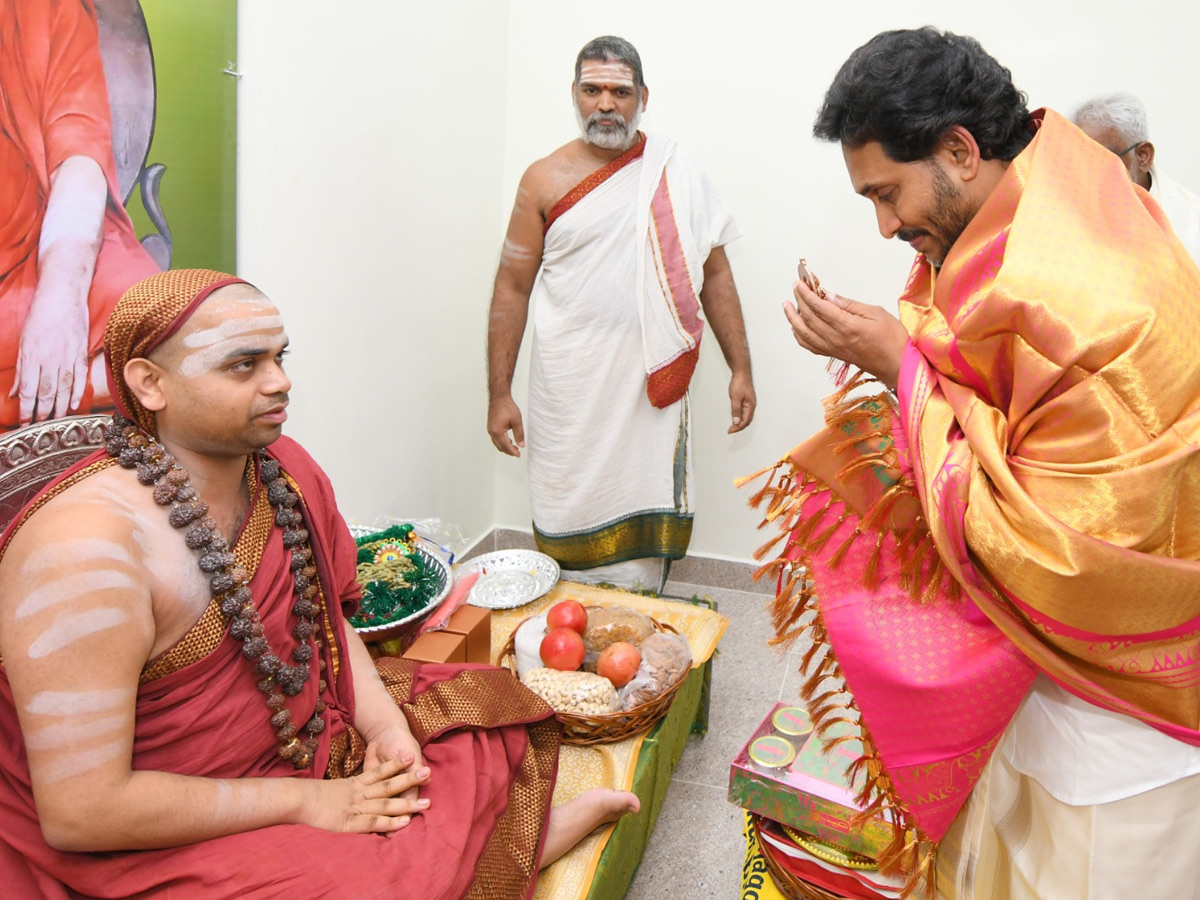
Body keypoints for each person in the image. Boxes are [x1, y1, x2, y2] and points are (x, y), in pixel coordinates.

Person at [0, 269, 638, 899]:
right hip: (157, 817)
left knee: (483, 713)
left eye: (280, 357)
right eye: (243, 366)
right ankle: (508, 851)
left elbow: (327, 624)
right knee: (367, 884)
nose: (280, 382)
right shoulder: (83, 554)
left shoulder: (281, 471)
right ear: (150, 383)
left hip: (295, 737)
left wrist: (388, 730)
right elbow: (82, 813)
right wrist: (307, 803)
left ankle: (498, 850)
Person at [743, 27, 1200, 898]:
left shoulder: (1088, 292)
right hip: (1053, 695)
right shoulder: (1055, 185)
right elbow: (995, 372)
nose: (882, 226)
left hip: (1118, 717)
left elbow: (1052, 551)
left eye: (887, 194)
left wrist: (898, 364)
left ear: (960, 148)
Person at [487, 35, 755, 591]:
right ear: (575, 95)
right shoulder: (543, 179)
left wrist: (742, 368)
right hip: (569, 385)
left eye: (619, 91)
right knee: (564, 512)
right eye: (592, 90)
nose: (605, 104)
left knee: (643, 502)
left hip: (647, 385)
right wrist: (499, 392)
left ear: (642, 97)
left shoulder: (674, 171)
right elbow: (512, 286)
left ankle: (639, 610)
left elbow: (716, 274)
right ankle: (563, 623)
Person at [0, 0, 160, 431]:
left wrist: (60, 297)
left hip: (38, 239)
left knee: (151, 320)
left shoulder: (43, 7)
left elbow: (79, 153)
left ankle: (54, 387)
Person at [1072, 92, 1200, 264]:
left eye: (1103, 160)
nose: (1090, 173)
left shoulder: (1192, 223)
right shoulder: (1068, 214)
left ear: (1143, 156)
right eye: (1082, 160)